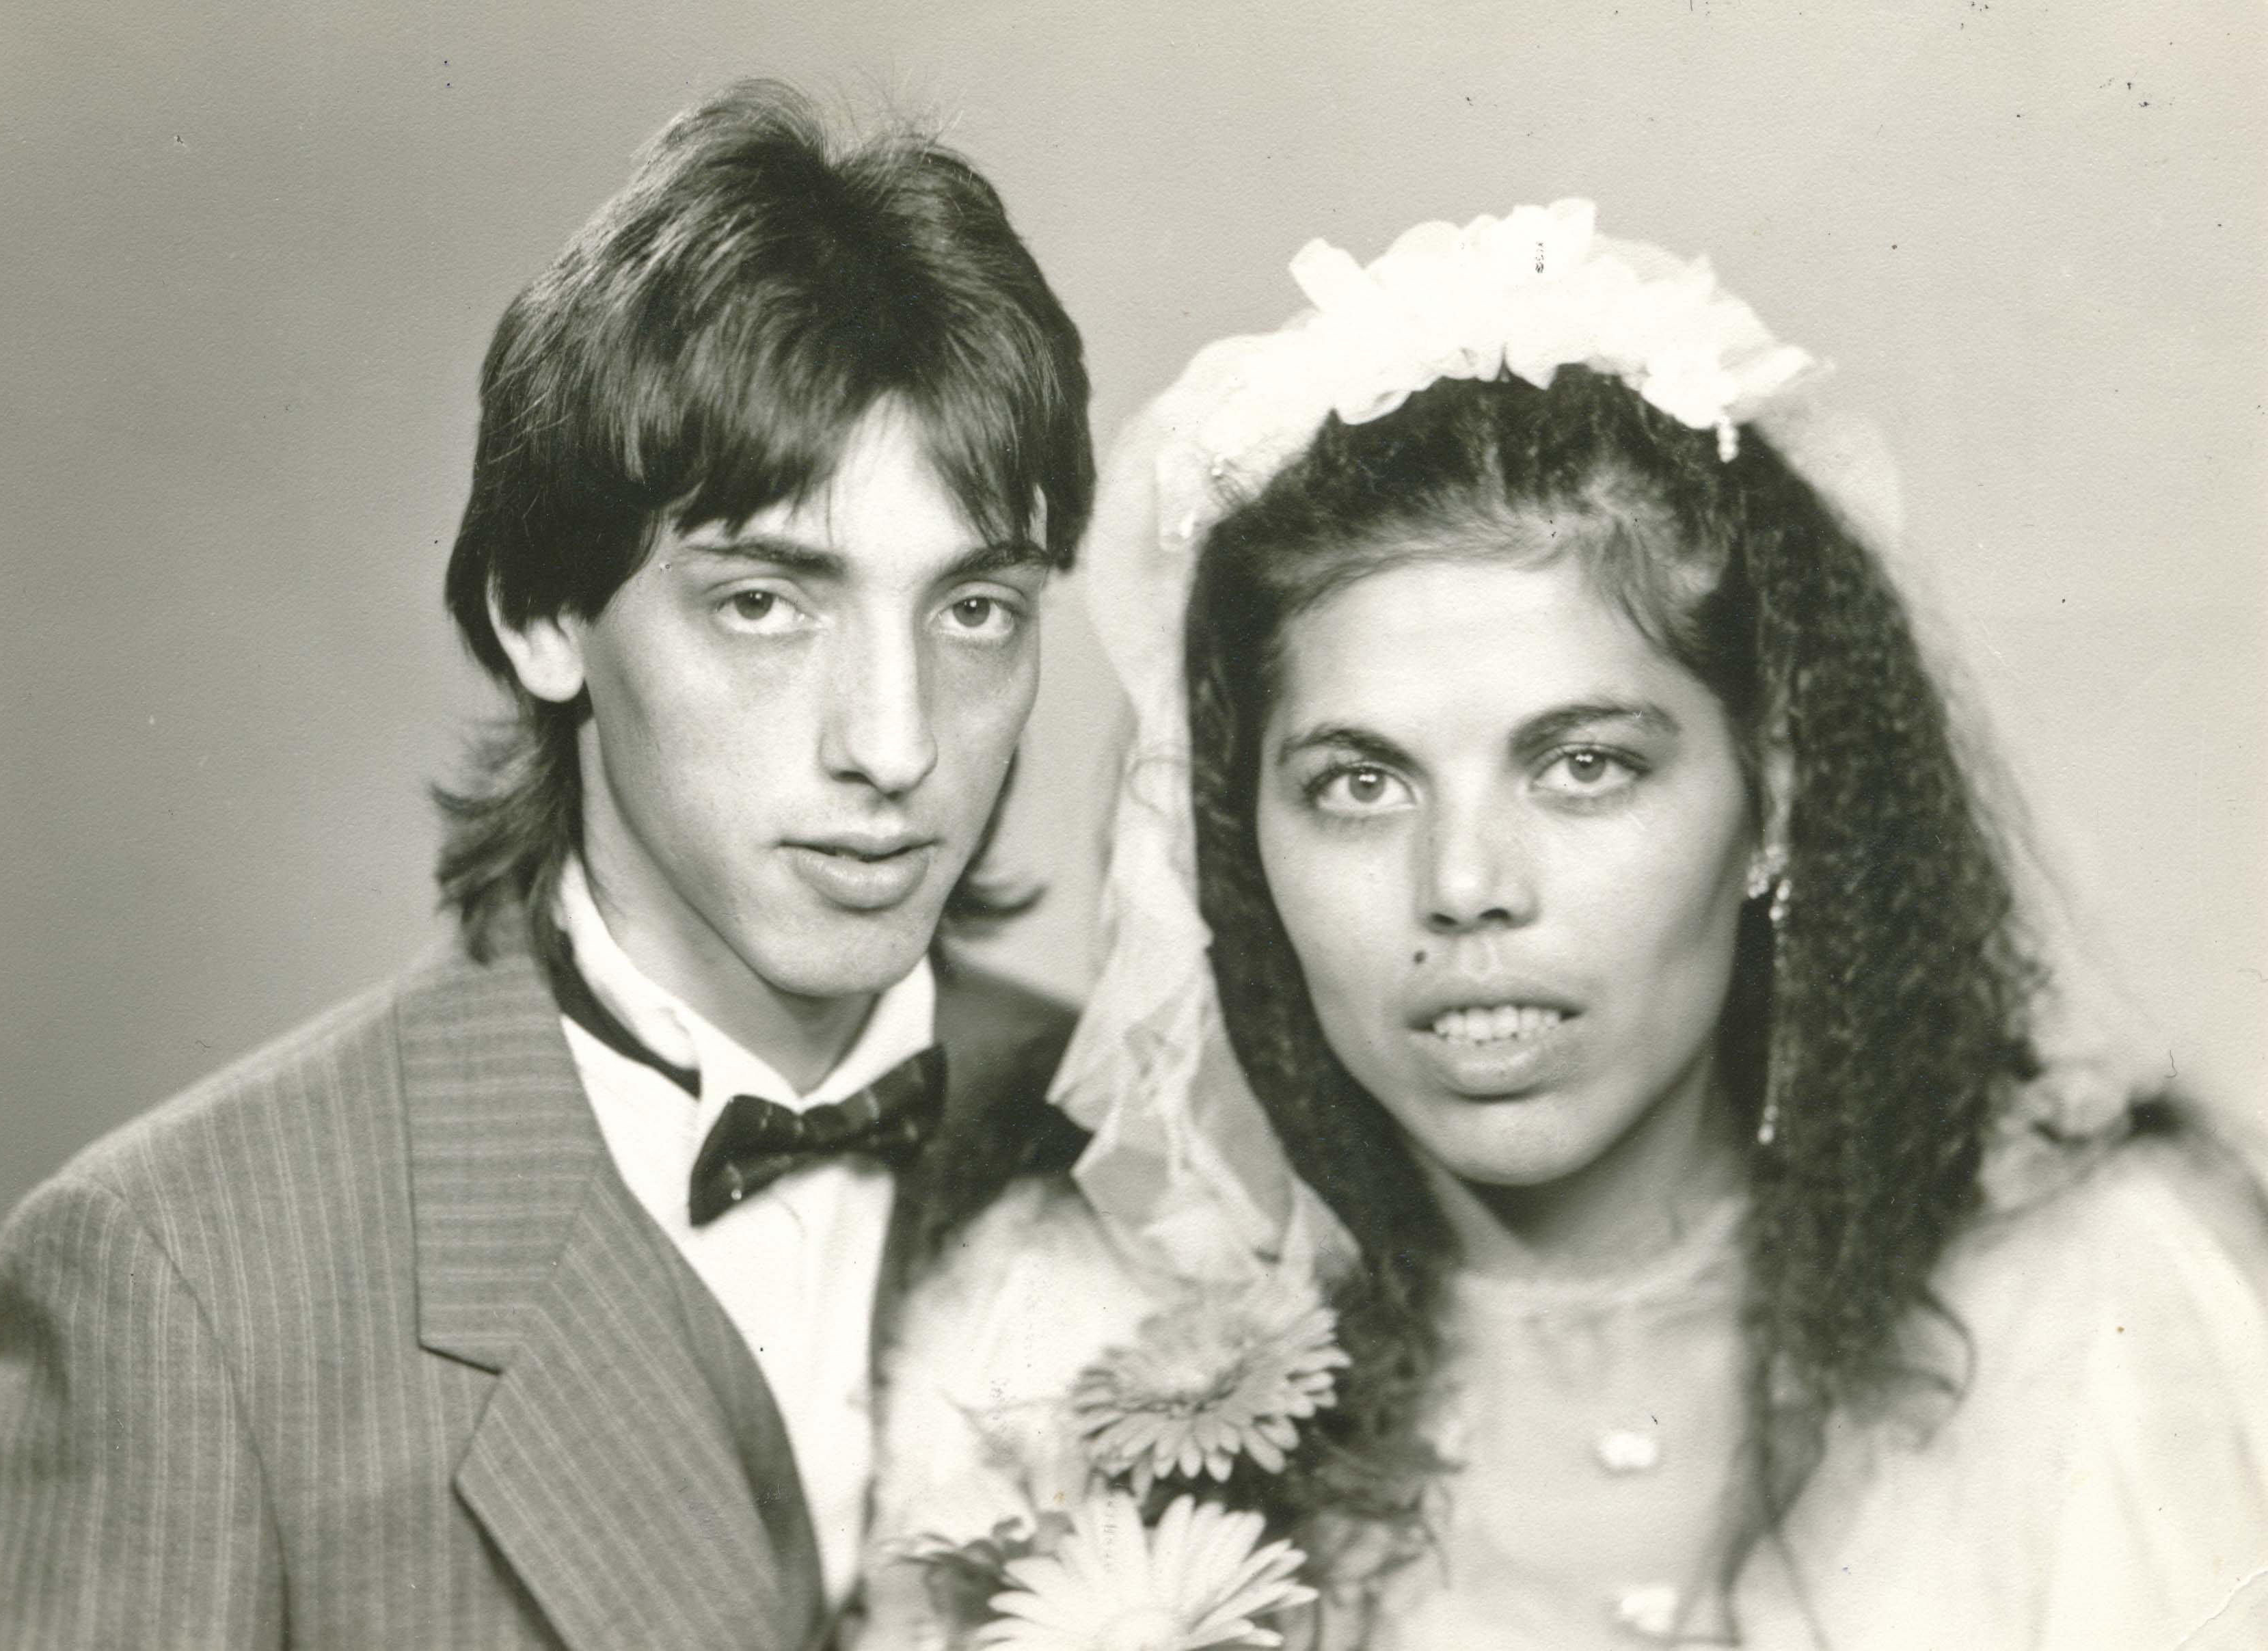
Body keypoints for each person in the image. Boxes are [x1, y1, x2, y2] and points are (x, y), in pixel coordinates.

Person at [856, 203, 2268, 1650]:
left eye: (1582, 765)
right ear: (1241, 843)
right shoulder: (1056, 1342)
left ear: (1773, 802)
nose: (1464, 883)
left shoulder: (2094, 1306)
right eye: (1359, 784)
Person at [0, 82, 1093, 1650]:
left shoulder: (1163, 1154)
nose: (894, 740)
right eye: (763, 602)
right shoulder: (179, 1278)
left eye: (975, 609)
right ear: (543, 615)